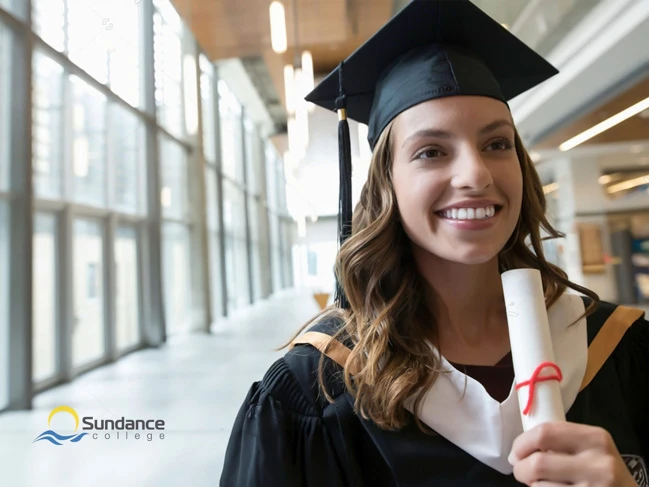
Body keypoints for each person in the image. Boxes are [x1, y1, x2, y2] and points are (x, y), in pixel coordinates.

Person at [220, 1, 648, 485]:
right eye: (431, 152)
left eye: (496, 143)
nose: (476, 173)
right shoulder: (315, 390)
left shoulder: (617, 348)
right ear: (387, 185)